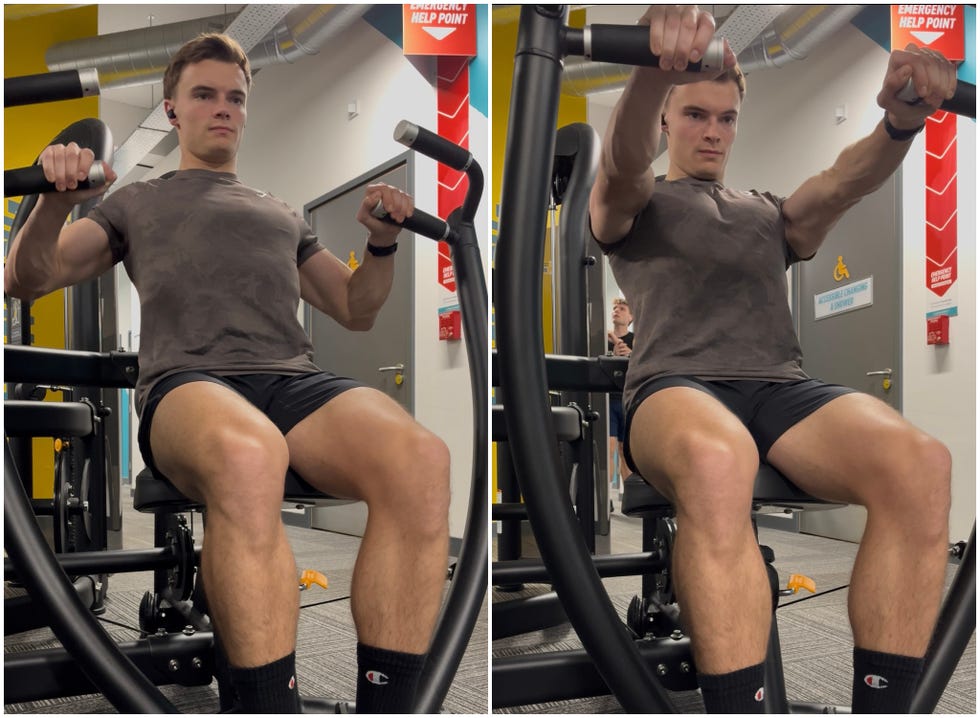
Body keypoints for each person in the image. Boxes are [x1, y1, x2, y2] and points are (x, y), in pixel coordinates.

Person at [5, 33, 451, 714]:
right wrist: (58, 199)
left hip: (291, 382)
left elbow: (355, 309)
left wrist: (381, 245)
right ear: (174, 109)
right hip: (188, 386)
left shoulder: (280, 212)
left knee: (421, 459)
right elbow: (27, 278)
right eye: (205, 95)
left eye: (235, 98)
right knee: (250, 453)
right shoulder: (137, 202)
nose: (223, 108)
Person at [588, 6, 956, 714]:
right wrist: (647, 70)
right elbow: (622, 164)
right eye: (695, 114)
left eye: (725, 119)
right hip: (675, 386)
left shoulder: (766, 212)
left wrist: (902, 122)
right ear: (667, 121)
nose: (713, 132)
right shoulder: (637, 205)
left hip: (779, 388)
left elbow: (845, 181)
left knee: (921, 464)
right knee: (719, 458)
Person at [606, 297, 634, 496]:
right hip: (608, 400)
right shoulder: (602, 338)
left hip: (628, 400)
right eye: (615, 308)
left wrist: (630, 354)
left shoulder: (636, 341)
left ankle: (630, 496)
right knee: (609, 448)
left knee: (627, 452)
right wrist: (611, 355)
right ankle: (604, 497)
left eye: (622, 309)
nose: (617, 311)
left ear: (630, 317)